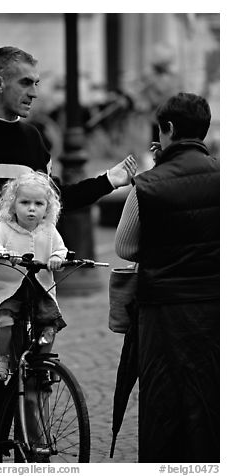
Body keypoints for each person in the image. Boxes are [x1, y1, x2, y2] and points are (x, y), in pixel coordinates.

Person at [0, 46, 137, 462]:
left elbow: (52, 201)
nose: (35, 92)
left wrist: (108, 181)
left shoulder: (32, 139)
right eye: (26, 82)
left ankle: (32, 456)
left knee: (34, 381)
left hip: (24, 282)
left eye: (37, 83)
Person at [114, 92, 219, 462]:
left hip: (163, 312)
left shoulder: (146, 186)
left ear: (168, 130)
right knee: (213, 397)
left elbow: (124, 248)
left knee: (165, 403)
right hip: (216, 306)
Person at [0, 171, 67, 380]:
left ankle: (41, 362)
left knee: (49, 326)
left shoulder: (49, 230)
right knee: (4, 320)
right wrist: (3, 253)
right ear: (12, 205)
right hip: (8, 288)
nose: (31, 208)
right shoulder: (3, 229)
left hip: (39, 288)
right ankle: (0, 357)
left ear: (47, 207)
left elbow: (61, 249)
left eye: (38, 204)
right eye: (25, 202)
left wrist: (58, 257)